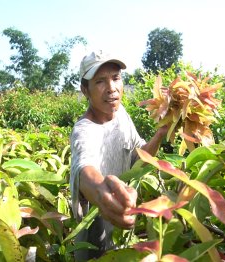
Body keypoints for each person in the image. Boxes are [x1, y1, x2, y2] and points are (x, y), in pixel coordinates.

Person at [70, 50, 167, 260]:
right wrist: (102, 194)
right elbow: (85, 170)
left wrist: (161, 132)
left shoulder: (120, 113)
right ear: (85, 89)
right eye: (100, 81)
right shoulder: (84, 130)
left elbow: (140, 156)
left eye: (116, 78)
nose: (112, 88)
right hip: (93, 236)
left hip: (122, 235)